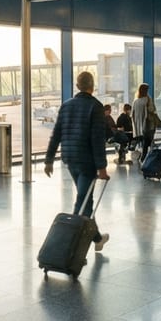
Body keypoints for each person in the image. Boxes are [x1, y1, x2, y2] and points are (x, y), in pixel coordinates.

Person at [44, 71, 110, 251]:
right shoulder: (95, 107)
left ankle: (97, 239)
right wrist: (102, 167)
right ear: (92, 85)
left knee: (85, 199)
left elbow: (56, 133)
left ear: (77, 85)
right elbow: (97, 139)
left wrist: (49, 159)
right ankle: (67, 248)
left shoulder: (66, 105)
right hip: (87, 162)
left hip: (71, 159)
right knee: (83, 203)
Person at [130, 84, 158, 162]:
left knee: (142, 143)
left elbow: (132, 114)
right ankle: (145, 158)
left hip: (138, 127)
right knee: (147, 143)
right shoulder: (147, 99)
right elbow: (152, 110)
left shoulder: (135, 101)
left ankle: (141, 157)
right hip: (147, 125)